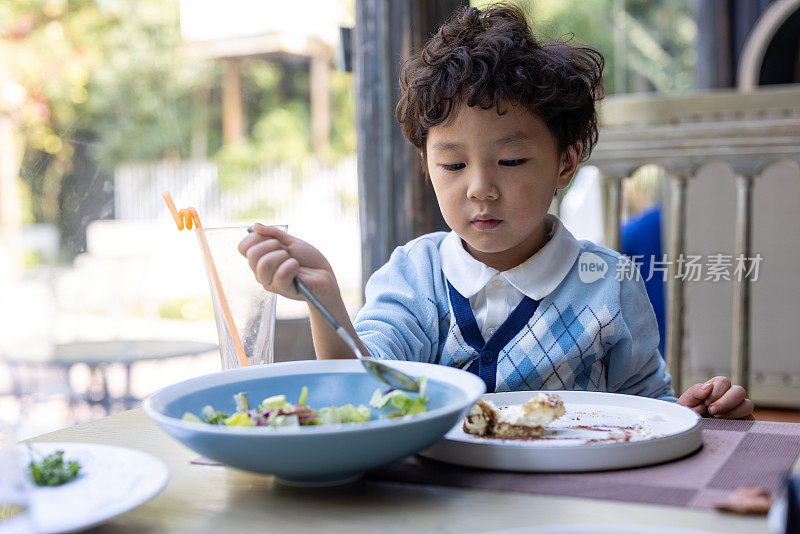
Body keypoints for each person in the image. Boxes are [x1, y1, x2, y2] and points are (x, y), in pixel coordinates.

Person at [238, 4, 753, 419]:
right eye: (453, 164)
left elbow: (646, 411)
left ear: (566, 163)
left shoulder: (609, 282)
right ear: (427, 165)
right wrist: (323, 295)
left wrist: (695, 413)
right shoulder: (414, 276)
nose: (480, 189)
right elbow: (364, 388)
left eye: (510, 160)